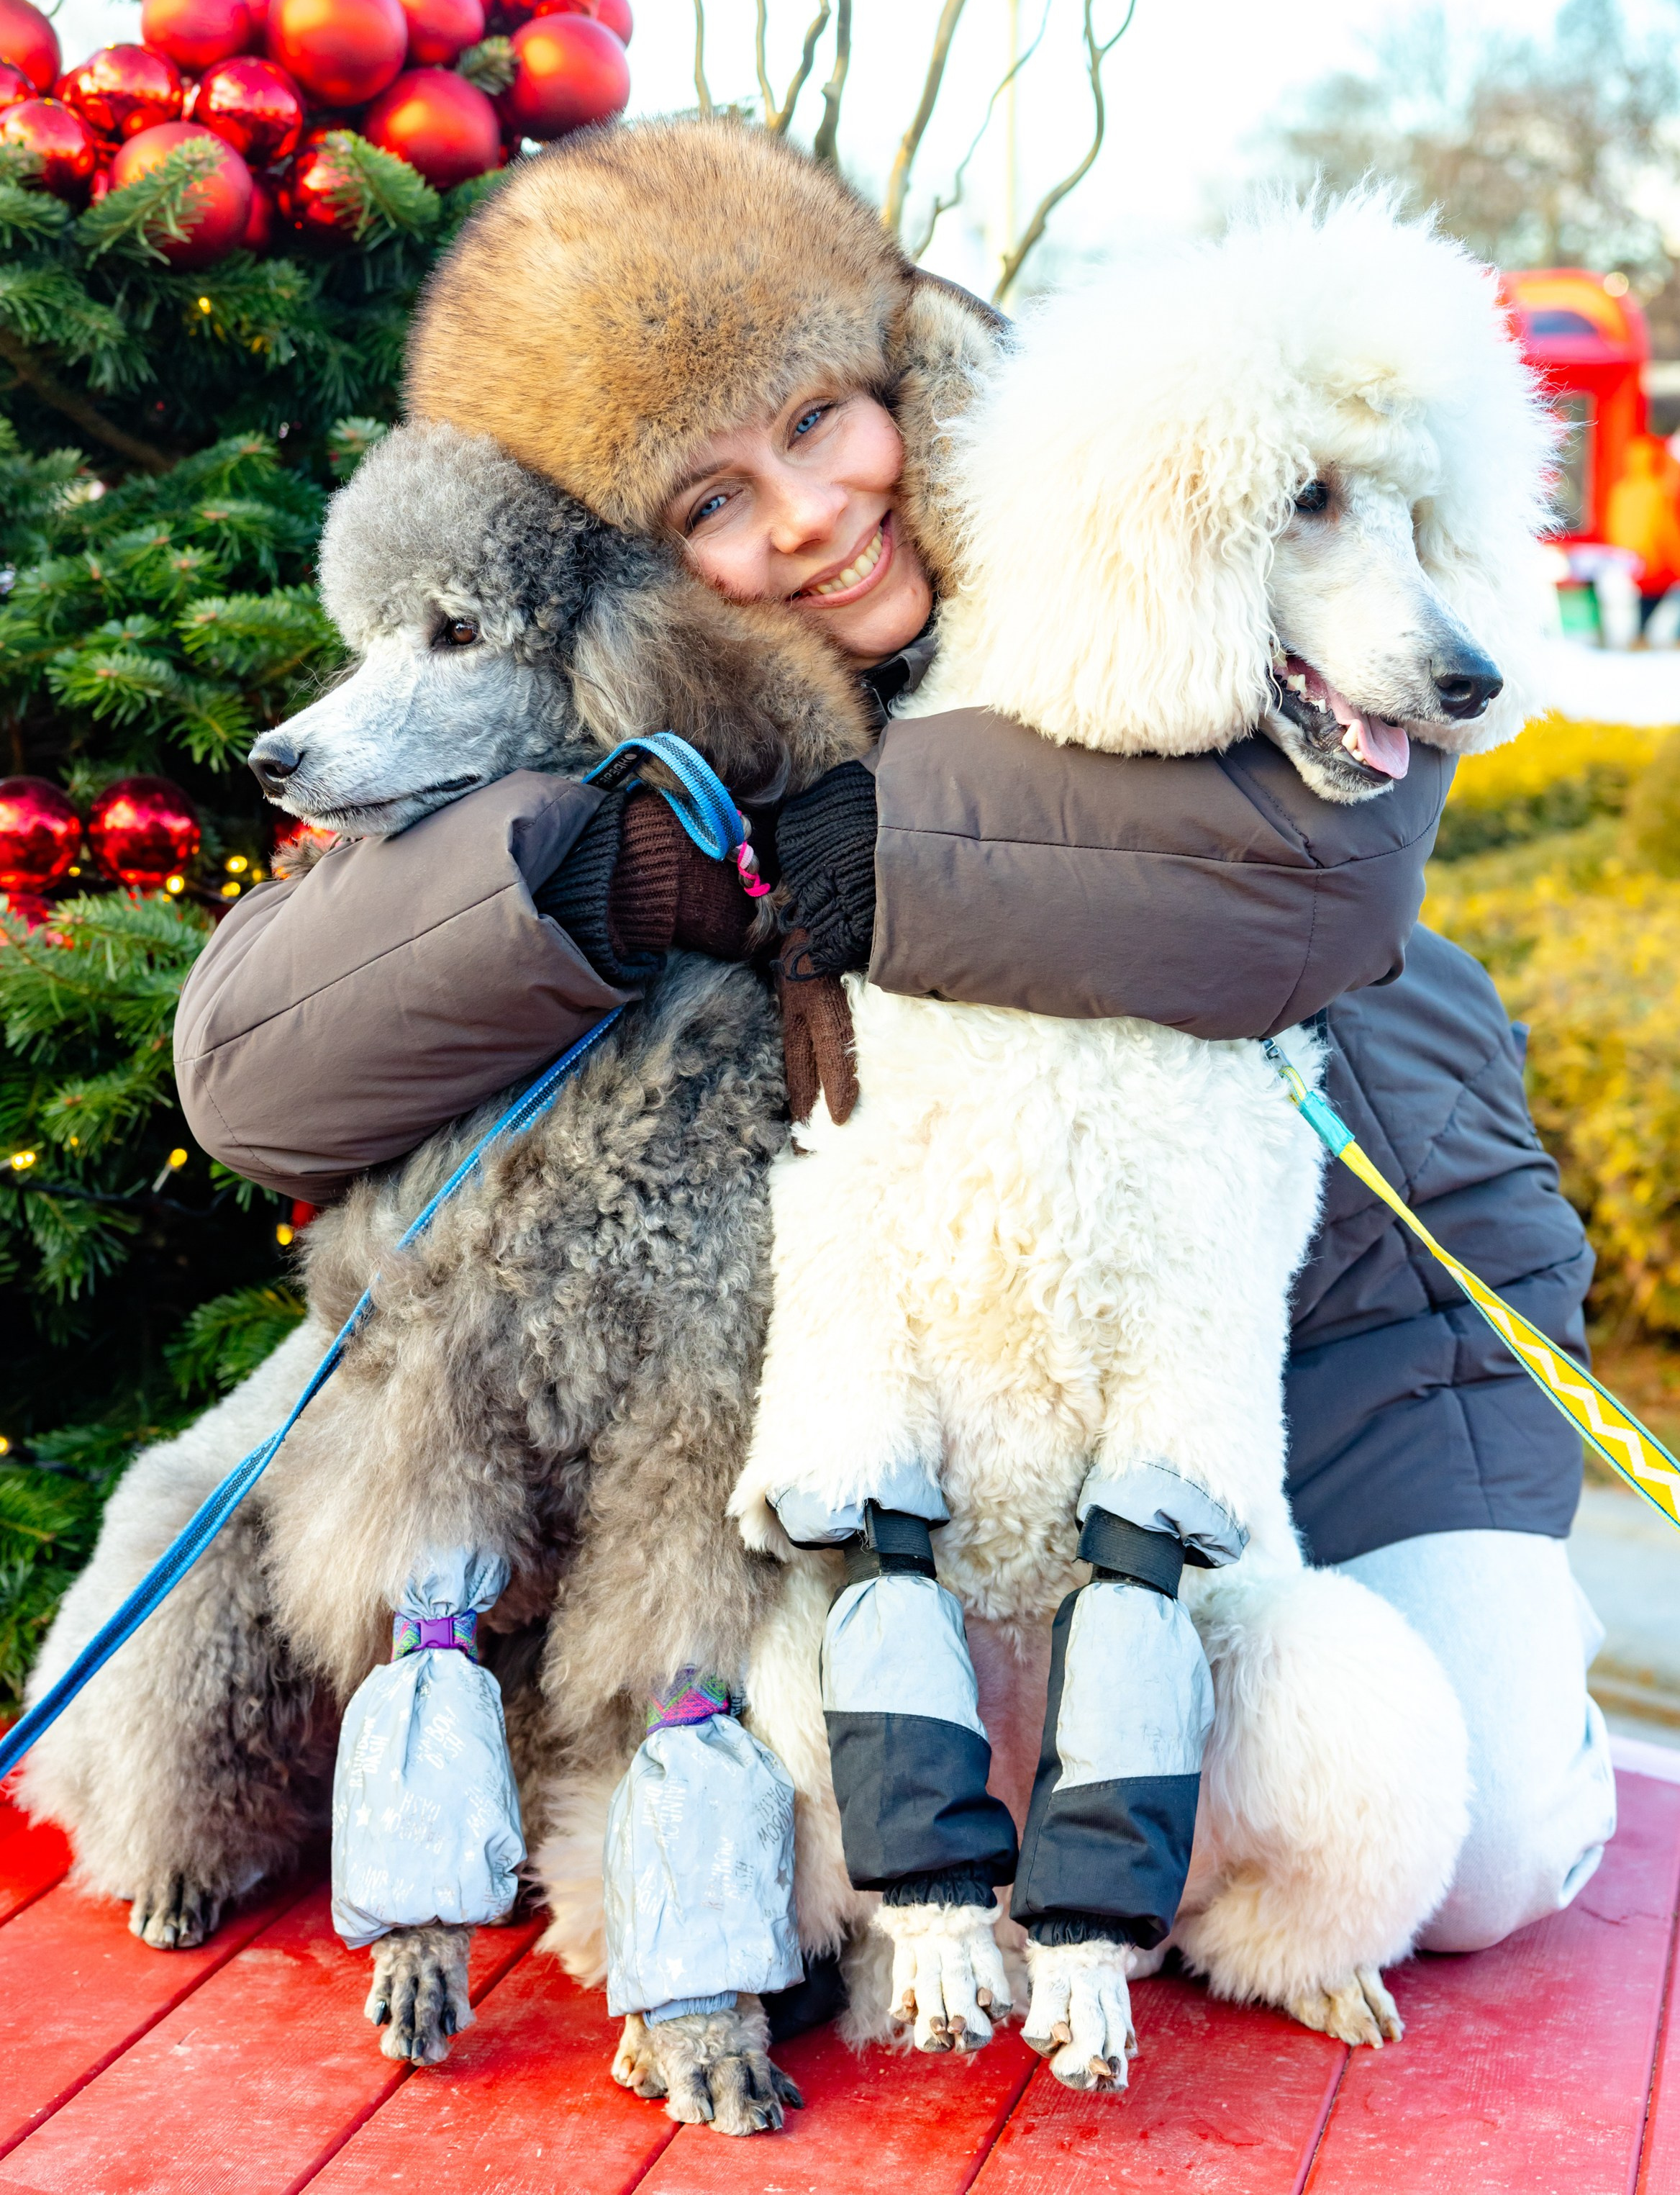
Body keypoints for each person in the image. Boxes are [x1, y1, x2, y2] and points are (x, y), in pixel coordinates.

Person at [176, 114, 1612, 1964]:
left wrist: (876, 847)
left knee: (1463, 1855)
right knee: (914, 1854)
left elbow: (1314, 872)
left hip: (1348, 1345)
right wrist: (571, 887)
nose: (801, 514)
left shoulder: (1150, 480)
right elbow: (249, 1067)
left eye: (815, 418)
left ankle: (1530, 1693)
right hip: (946, 1406)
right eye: (702, 502)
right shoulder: (630, 727)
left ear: (892, 364)